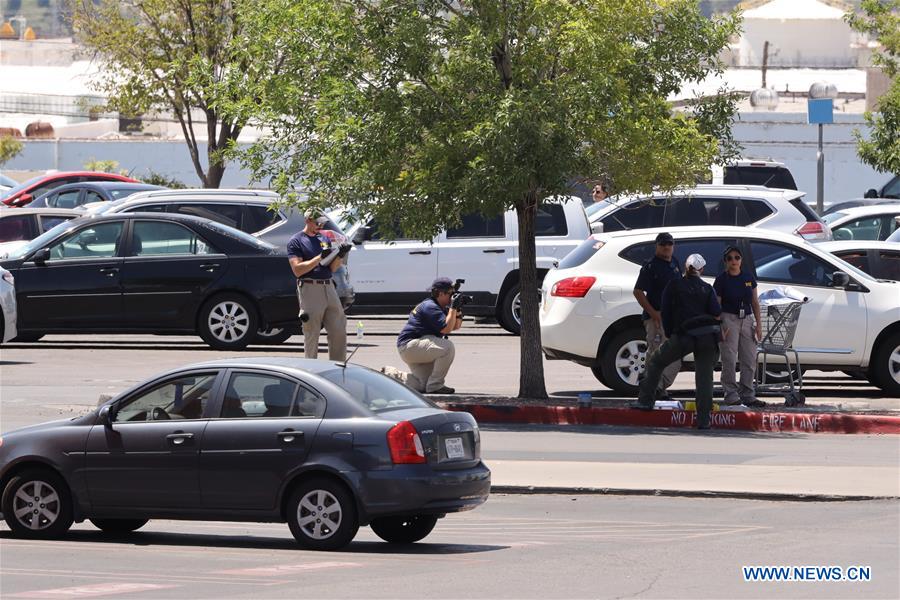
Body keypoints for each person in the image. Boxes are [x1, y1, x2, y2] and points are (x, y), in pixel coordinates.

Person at [634, 254, 722, 430]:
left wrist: (670, 334)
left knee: (656, 361)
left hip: (685, 335)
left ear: (685, 268)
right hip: (708, 338)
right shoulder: (707, 288)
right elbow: (716, 311)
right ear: (702, 269)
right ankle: (704, 420)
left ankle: (645, 401)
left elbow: (666, 312)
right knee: (704, 378)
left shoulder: (674, 285)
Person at [287, 212, 348, 361]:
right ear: (308, 220)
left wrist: (340, 256)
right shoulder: (296, 241)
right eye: (317, 223)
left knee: (338, 330)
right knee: (312, 332)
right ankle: (310, 368)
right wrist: (319, 258)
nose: (320, 226)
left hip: (329, 286)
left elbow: (331, 268)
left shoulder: (323, 238)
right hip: (310, 287)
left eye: (322, 223)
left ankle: (338, 367)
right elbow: (297, 270)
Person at [633, 232, 682, 399]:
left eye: (669, 244)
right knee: (657, 354)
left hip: (673, 317)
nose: (666, 247)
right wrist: (653, 313)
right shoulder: (650, 266)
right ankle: (654, 389)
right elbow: (638, 291)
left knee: (674, 356)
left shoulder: (674, 262)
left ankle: (657, 387)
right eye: (663, 244)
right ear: (657, 246)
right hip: (657, 319)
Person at [394, 277, 464, 394]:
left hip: (415, 347)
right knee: (447, 347)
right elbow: (447, 329)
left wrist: (458, 308)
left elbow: (455, 326)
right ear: (441, 293)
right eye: (451, 293)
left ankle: (389, 376)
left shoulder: (439, 306)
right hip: (410, 346)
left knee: (422, 385)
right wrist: (453, 307)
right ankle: (436, 386)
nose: (453, 296)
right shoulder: (430, 306)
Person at [714, 245, 763, 406]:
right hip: (728, 318)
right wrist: (719, 326)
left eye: (737, 257)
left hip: (747, 319)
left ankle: (747, 393)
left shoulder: (748, 277)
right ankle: (730, 393)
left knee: (749, 358)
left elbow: (755, 302)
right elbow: (717, 305)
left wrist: (758, 325)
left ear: (741, 260)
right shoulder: (721, 279)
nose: (733, 261)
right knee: (729, 358)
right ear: (725, 262)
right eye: (730, 258)